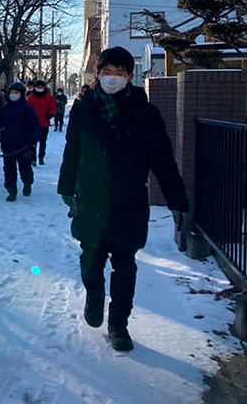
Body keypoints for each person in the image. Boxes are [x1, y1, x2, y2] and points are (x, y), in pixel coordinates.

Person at [58, 46, 188, 351]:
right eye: (106, 73)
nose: (112, 79)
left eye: (119, 73)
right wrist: (66, 187)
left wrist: (177, 200)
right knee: (90, 261)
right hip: (90, 199)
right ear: (98, 74)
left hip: (128, 202)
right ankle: (94, 293)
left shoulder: (146, 114)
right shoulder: (85, 109)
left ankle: (118, 323)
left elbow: (164, 161)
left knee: (125, 266)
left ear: (131, 76)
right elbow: (72, 150)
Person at [0, 82, 40, 202]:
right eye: (12, 92)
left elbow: (35, 127)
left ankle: (27, 183)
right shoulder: (6, 109)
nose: (14, 94)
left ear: (21, 94)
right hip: (8, 144)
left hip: (23, 145)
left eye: (16, 92)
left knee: (25, 168)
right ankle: (12, 190)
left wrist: (32, 141)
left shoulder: (27, 110)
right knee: (9, 170)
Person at [26, 79, 57, 165]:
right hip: (33, 124)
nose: (39, 88)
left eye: (41, 87)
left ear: (44, 88)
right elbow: (27, 109)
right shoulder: (30, 98)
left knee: (43, 142)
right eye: (38, 87)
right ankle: (33, 158)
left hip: (44, 123)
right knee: (33, 142)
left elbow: (53, 108)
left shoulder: (49, 98)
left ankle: (41, 157)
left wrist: (51, 114)